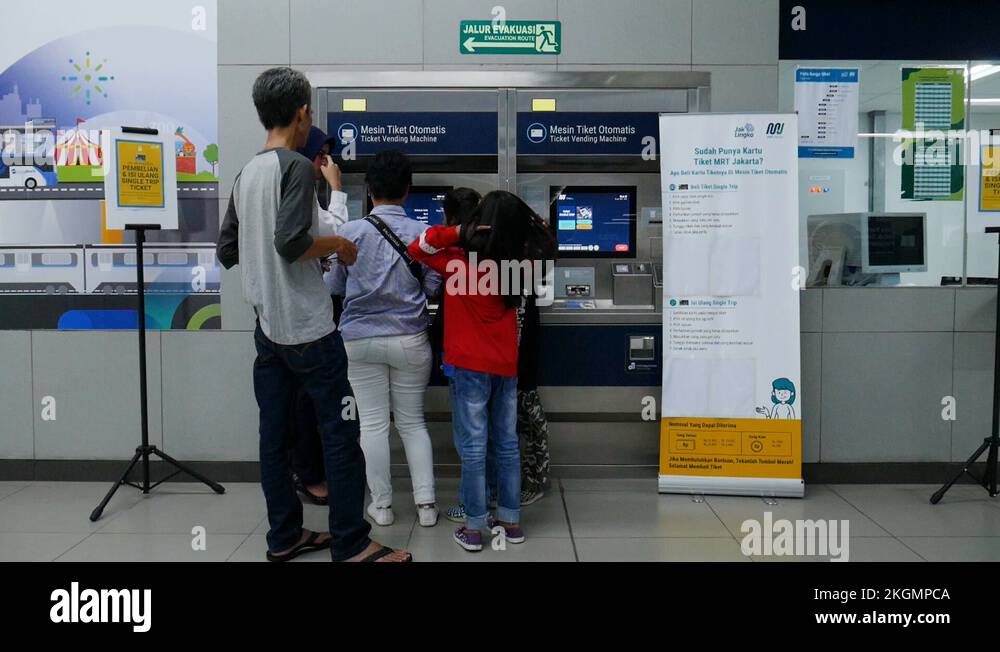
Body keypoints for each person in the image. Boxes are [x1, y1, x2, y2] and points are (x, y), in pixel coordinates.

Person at [217, 66, 410, 562]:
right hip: (311, 331)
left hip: (267, 333)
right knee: (342, 435)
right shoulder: (297, 169)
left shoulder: (246, 174)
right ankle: (351, 542)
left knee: (274, 439)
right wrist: (339, 245)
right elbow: (291, 242)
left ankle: (284, 537)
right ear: (303, 113)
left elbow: (228, 249)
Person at [408, 190, 556, 552]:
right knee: (506, 445)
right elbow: (548, 249)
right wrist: (533, 226)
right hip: (505, 365)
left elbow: (418, 246)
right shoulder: (518, 265)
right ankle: (511, 522)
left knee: (473, 447)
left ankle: (473, 528)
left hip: (466, 365)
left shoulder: (458, 259)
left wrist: (458, 233)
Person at [327, 150, 442, 528]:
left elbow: (334, 286)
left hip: (359, 340)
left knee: (373, 424)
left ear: (370, 190)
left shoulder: (351, 232)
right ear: (407, 190)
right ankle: (426, 506)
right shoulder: (423, 235)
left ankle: (383, 506)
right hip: (410, 339)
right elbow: (433, 286)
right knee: (412, 422)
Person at [287, 126, 349, 506]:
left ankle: (311, 473)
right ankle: (311, 475)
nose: (326, 163)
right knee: (308, 404)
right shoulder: (302, 192)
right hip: (304, 322)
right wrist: (338, 189)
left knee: (307, 404)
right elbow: (336, 233)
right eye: (321, 155)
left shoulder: (301, 190)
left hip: (303, 318)